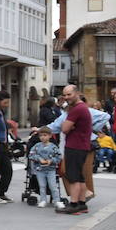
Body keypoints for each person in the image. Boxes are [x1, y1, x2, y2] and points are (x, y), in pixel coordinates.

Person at [58, 84, 93, 215]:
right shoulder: (83, 108)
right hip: (82, 146)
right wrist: (69, 126)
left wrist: (67, 125)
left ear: (76, 93)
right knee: (80, 176)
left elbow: (64, 129)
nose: (66, 97)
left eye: (69, 94)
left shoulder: (77, 109)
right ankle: (82, 204)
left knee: (73, 177)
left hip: (74, 146)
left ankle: (73, 204)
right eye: (65, 95)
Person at [27, 126, 62, 208]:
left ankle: (57, 200)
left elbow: (59, 156)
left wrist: (51, 160)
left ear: (50, 136)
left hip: (51, 170)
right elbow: (31, 155)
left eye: (45, 135)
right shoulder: (37, 146)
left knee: (53, 186)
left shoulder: (53, 147)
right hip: (40, 170)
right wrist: (39, 159)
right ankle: (43, 200)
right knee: (42, 186)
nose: (43, 137)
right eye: (41, 135)